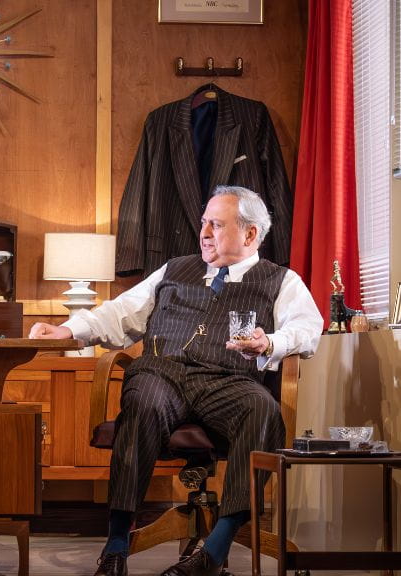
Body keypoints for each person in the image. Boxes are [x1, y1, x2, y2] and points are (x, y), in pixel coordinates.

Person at [30, 186, 323, 576]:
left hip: (227, 379)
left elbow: (308, 328)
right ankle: (117, 543)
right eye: (204, 222)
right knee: (144, 400)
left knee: (263, 408)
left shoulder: (281, 280)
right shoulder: (174, 269)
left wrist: (271, 341)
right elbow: (120, 313)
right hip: (162, 371)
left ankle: (213, 551)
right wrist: (67, 331)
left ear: (250, 234)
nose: (203, 232)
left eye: (216, 225)